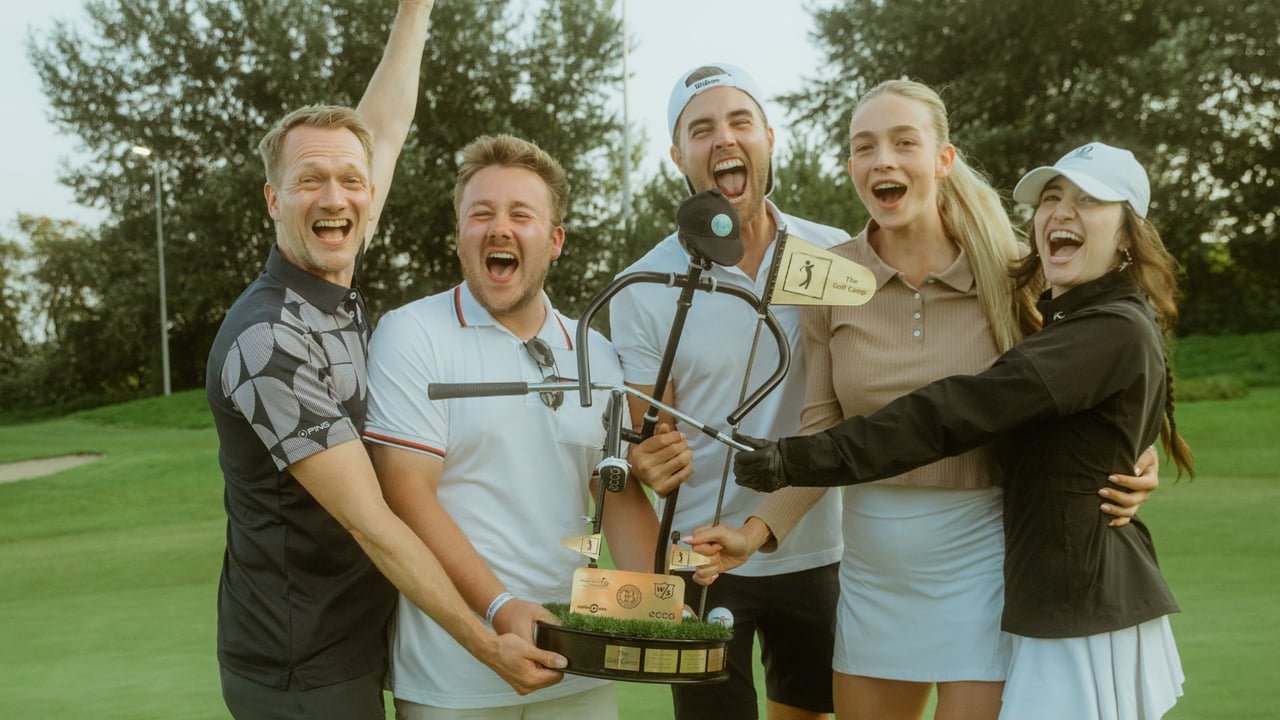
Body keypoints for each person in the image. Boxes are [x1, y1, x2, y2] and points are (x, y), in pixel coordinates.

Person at [687, 80, 1160, 720]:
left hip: (984, 564)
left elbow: (1094, 371)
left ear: (943, 159)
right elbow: (823, 431)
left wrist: (1137, 449)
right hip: (874, 571)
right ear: (851, 167)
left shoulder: (1016, 269)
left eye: (903, 142)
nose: (882, 159)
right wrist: (755, 532)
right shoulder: (828, 277)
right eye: (864, 147)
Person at [205, 5, 566, 718]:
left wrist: (414, 12)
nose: (335, 195)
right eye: (311, 181)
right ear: (274, 201)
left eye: (351, 179)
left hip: (350, 639)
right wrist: (486, 637)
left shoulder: (332, 270)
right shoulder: (267, 339)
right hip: (298, 665)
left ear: (368, 197)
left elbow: (388, 127)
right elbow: (371, 520)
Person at [363, 134, 660, 720]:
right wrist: (500, 606)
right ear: (460, 238)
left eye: (520, 214)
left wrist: (669, 602)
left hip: (577, 666)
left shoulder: (595, 353)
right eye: (482, 214)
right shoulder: (410, 334)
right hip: (453, 676)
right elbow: (408, 499)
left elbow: (614, 498)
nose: (499, 228)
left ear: (554, 242)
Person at [609, 63, 849, 720]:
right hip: (696, 557)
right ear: (677, 156)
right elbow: (643, 431)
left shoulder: (835, 256)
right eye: (701, 128)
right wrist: (647, 457)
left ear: (769, 137)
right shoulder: (642, 284)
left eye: (740, 121)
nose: (724, 139)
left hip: (817, 549)